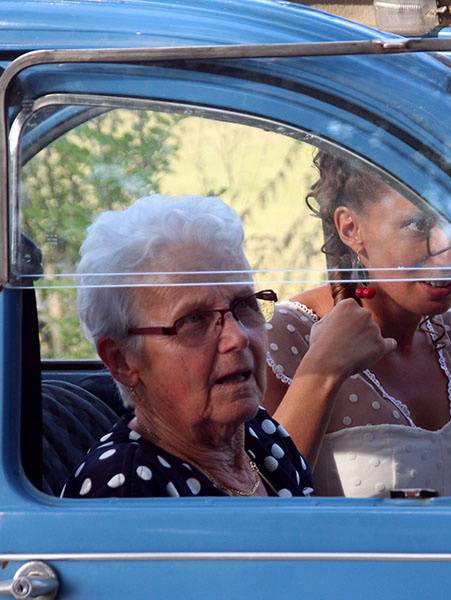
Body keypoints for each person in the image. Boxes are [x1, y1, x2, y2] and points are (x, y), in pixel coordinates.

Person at [263, 153, 451, 497]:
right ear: (351, 228)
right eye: (418, 226)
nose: (448, 256)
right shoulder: (290, 339)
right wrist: (325, 367)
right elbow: (260, 501)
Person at [62, 195, 312, 498]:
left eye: (245, 305)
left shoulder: (261, 434)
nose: (238, 337)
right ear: (122, 360)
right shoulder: (125, 487)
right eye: (194, 320)